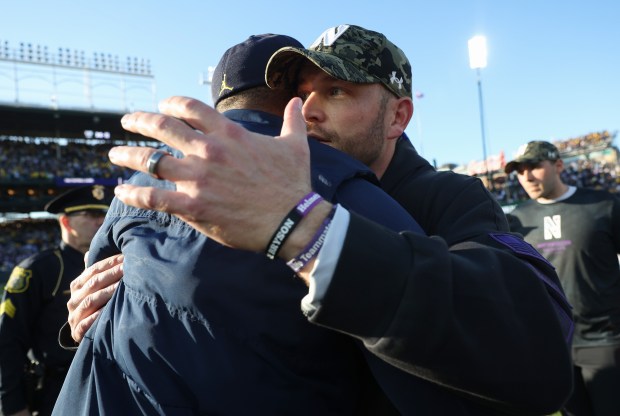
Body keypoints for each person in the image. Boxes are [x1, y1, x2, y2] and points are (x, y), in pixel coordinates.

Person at [88, 24, 574, 414]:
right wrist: (99, 315)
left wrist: (308, 231)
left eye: (336, 91)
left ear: (398, 117)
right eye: (300, 94)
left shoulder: (448, 197)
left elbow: (538, 345)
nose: (307, 111)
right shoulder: (274, 187)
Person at [53, 34, 427, 415]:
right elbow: (427, 351)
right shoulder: (343, 184)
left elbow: (88, 296)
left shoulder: (139, 180)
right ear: (297, 101)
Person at [505, 141, 620, 416]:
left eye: (534, 167)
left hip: (606, 339)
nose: (527, 177)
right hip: (553, 345)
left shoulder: (603, 204)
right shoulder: (517, 219)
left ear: (558, 165)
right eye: (519, 171)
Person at [0, 185, 111, 416]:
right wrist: (13, 406)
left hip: (109, 388)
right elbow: (8, 342)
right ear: (67, 222)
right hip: (56, 391)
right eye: (90, 215)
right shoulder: (38, 270)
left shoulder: (118, 265)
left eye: (103, 214)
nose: (100, 221)